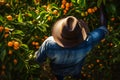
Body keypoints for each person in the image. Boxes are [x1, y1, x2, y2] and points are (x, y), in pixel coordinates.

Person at [35, 3, 108, 80]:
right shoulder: (87, 42)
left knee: (59, 77)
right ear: (80, 33)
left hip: (57, 71)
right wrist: (101, 4)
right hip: (76, 69)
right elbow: (103, 28)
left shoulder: (49, 44)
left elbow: (39, 59)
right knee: (76, 74)